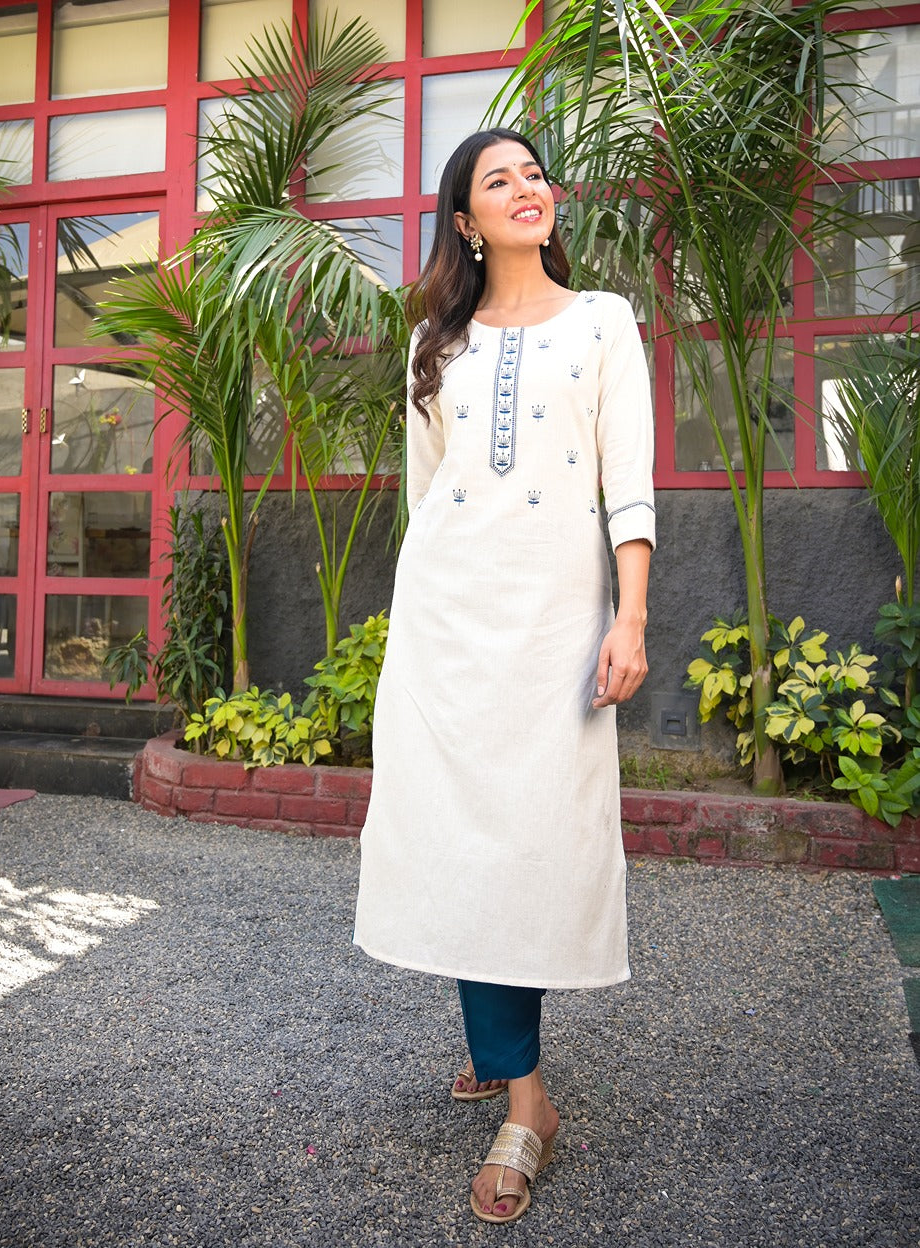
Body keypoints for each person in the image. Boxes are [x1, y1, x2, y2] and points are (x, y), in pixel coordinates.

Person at [353, 126, 655, 1225]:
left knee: (528, 839)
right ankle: (522, 1090)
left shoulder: (603, 321)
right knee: (458, 832)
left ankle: (509, 1069)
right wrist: (415, 626)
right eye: (499, 179)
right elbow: (426, 498)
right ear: (466, 221)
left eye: (534, 173)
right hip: (447, 624)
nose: (527, 187)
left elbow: (630, 481)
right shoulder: (433, 344)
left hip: (554, 629)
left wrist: (629, 617)